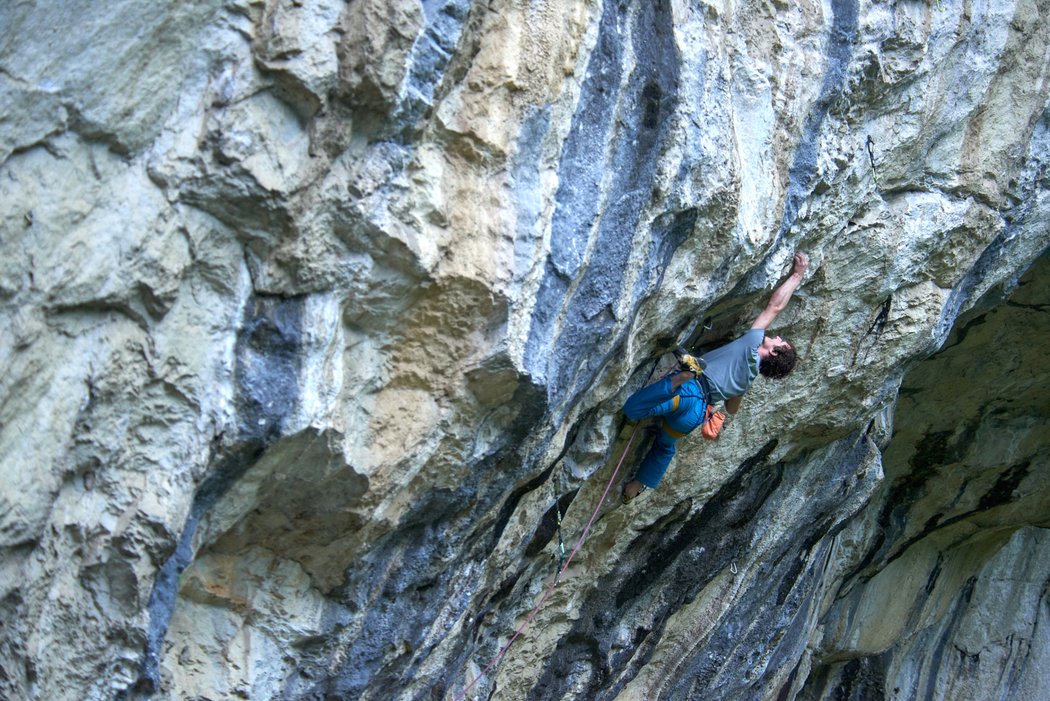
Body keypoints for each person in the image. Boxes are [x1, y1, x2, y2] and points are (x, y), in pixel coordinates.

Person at [620, 252, 810, 502]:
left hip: (688, 391)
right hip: (695, 414)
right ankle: (635, 487)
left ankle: (679, 379)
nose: (775, 336)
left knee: (633, 409)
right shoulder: (748, 379)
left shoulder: (752, 344)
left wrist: (797, 275)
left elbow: (774, 306)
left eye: (779, 341)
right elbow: (732, 409)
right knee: (665, 446)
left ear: (773, 351)